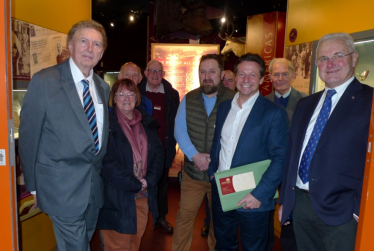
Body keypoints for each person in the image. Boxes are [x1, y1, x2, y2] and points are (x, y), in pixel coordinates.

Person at [19, 20, 109, 250]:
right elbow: (29, 140)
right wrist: (34, 187)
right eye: (84, 41)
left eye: (96, 44)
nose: (90, 48)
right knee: (77, 246)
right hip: (60, 188)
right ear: (70, 45)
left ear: (102, 51)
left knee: (78, 243)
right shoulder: (45, 81)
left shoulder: (102, 86)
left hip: (92, 188)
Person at [278, 32, 373, 251]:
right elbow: (292, 156)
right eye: (323, 58)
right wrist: (286, 201)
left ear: (354, 58)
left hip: (343, 214)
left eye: (338, 55)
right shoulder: (305, 104)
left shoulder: (370, 101)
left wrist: (360, 210)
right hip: (300, 207)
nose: (330, 64)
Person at [208, 53, 289, 251]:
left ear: (262, 79)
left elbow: (280, 158)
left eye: (252, 75)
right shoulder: (224, 107)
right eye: (242, 74)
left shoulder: (274, 113)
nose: (246, 80)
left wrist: (259, 194)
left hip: (253, 195)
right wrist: (213, 173)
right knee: (224, 244)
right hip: (222, 190)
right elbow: (218, 143)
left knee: (254, 248)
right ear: (235, 77)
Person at [173, 54, 236, 251]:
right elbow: (179, 130)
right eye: (202, 71)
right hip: (193, 173)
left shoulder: (234, 99)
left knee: (219, 223)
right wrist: (195, 155)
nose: (206, 76)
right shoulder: (189, 98)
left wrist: (216, 160)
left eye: (212, 71)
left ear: (222, 73)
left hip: (222, 174)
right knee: (184, 217)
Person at [97, 79, 164, 251]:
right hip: (116, 198)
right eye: (121, 94)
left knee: (135, 245)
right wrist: (135, 183)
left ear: (137, 97)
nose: (126, 98)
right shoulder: (106, 126)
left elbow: (158, 154)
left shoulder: (147, 124)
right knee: (117, 246)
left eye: (130, 93)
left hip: (142, 196)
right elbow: (105, 162)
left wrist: (148, 180)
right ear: (114, 98)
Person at [265, 58, 307, 251]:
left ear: (293, 75)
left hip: (293, 169)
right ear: (270, 77)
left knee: (291, 214)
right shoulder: (261, 102)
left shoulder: (306, 102)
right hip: (266, 169)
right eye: (276, 74)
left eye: (284, 73)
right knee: (265, 213)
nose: (280, 78)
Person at [138, 60, 180, 233]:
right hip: (139, 149)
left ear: (163, 74)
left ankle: (161, 217)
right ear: (146, 73)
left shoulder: (172, 94)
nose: (155, 74)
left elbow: (176, 123)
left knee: (162, 185)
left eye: (158, 71)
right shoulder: (136, 92)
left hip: (163, 148)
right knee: (139, 184)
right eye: (151, 71)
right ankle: (141, 218)